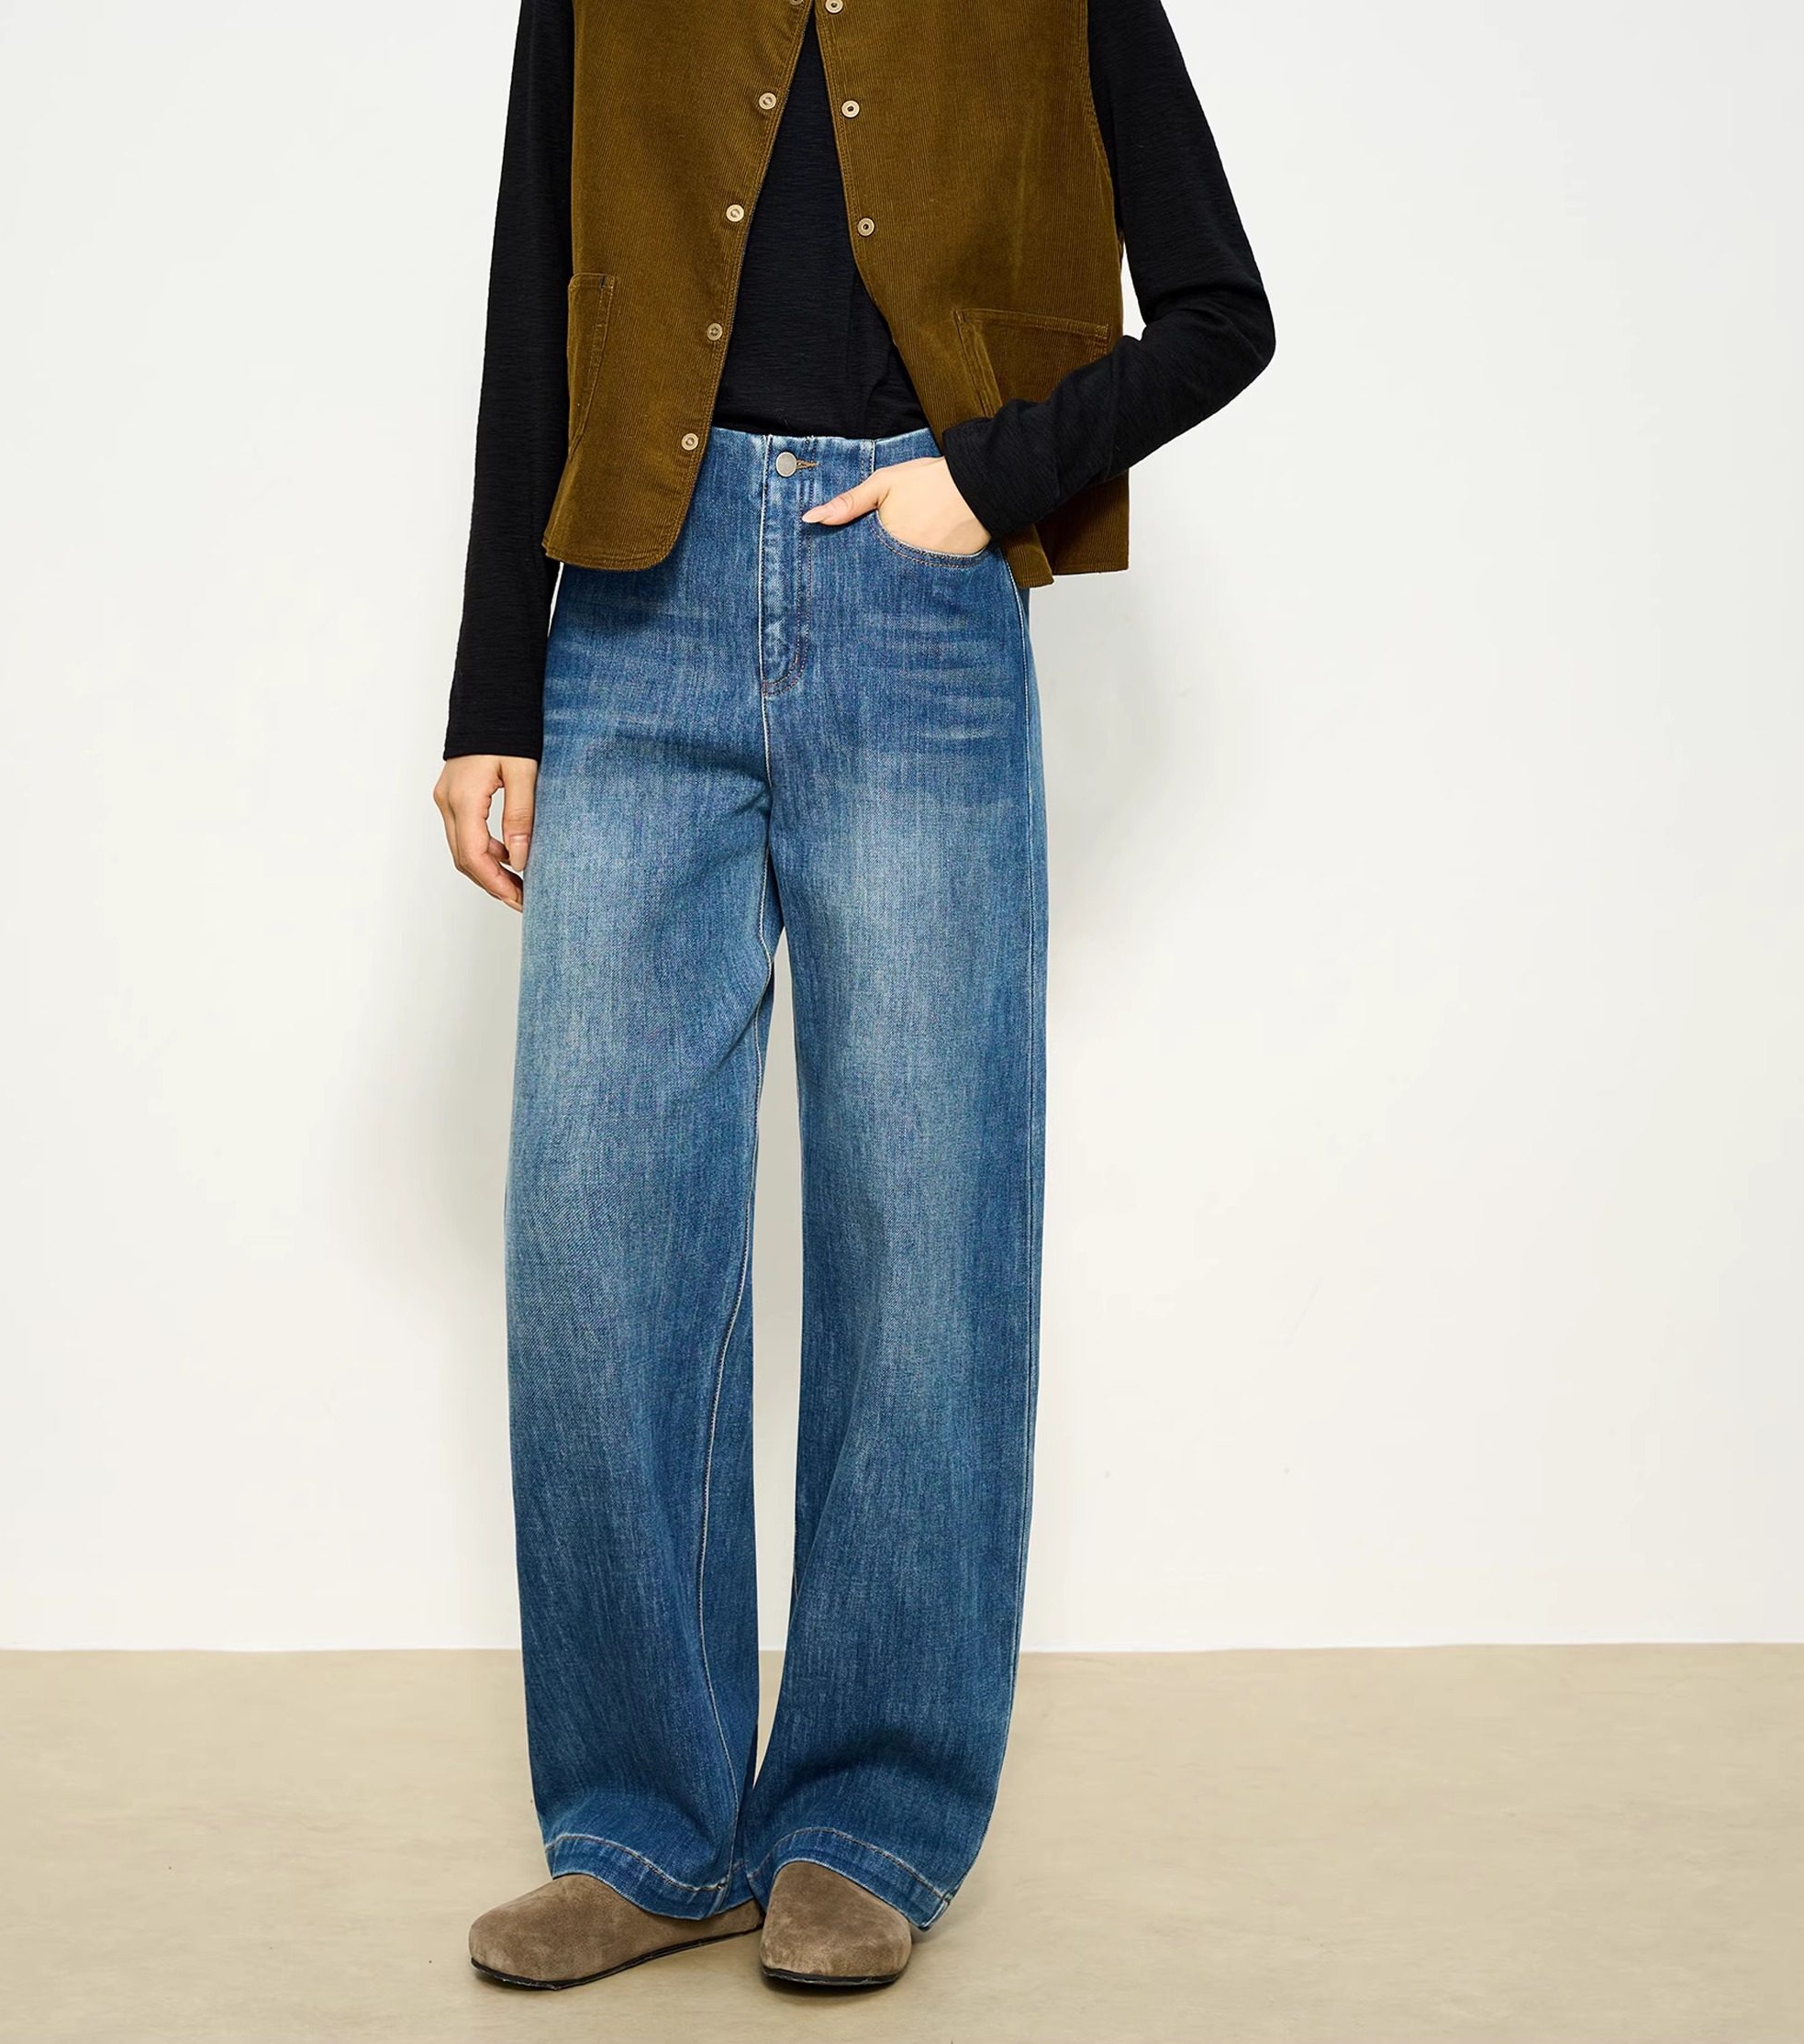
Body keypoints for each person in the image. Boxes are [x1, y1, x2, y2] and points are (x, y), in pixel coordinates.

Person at [434, 0, 1274, 1994]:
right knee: (600, 1239)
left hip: (918, 606)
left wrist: (984, 481)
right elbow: (533, 296)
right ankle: (645, 1832)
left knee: (924, 1230)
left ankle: (870, 1819)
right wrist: (490, 689)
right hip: (630, 612)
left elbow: (1221, 311)